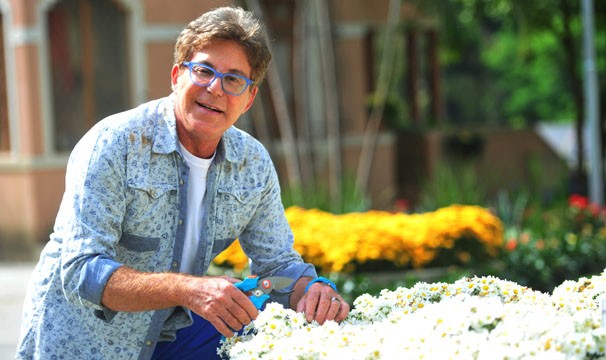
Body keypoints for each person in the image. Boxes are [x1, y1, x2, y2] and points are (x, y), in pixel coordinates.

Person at [16, 6, 349, 360]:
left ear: (249, 98)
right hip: (85, 344)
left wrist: (314, 290)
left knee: (278, 328)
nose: (215, 89)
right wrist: (187, 290)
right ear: (177, 76)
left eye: (234, 79)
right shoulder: (115, 143)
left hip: (172, 333)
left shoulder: (252, 163)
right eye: (203, 70)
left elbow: (278, 266)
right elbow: (81, 270)